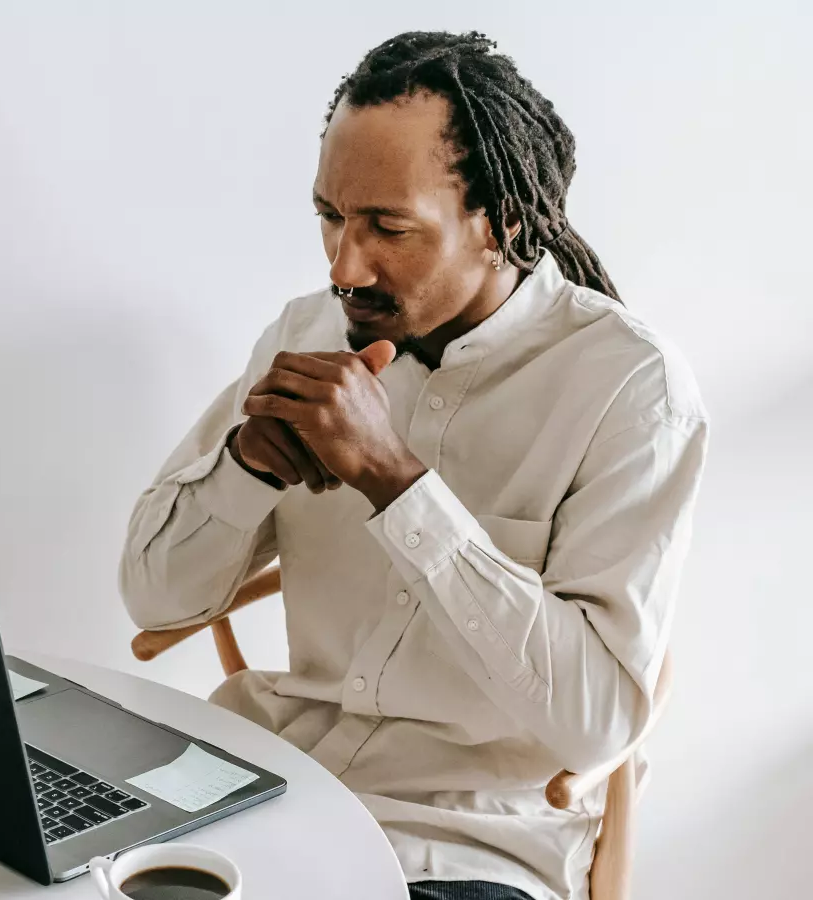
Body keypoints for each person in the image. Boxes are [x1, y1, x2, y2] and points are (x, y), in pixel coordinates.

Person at [119, 31, 708, 900]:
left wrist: (398, 482)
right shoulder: (304, 335)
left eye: (387, 227)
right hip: (265, 785)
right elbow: (152, 598)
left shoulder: (631, 389)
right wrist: (247, 467)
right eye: (330, 216)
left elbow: (597, 725)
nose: (342, 265)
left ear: (502, 220)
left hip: (465, 847)